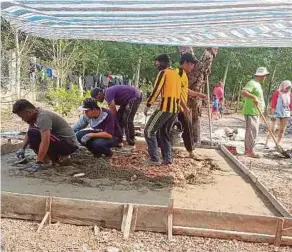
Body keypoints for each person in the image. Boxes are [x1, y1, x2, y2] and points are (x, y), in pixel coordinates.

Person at [12, 99, 79, 172]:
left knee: (35, 134)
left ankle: (50, 159)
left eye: (22, 117)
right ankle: (54, 159)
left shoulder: (43, 117)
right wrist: (22, 148)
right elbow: (29, 133)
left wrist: (38, 162)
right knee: (33, 133)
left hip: (69, 144)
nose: (22, 119)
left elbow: (45, 140)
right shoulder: (34, 115)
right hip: (61, 141)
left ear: (29, 112)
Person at [143, 54, 182, 165]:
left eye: (158, 63)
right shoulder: (176, 74)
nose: (157, 65)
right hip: (174, 109)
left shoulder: (163, 73)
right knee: (164, 132)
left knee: (149, 131)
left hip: (165, 108)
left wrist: (148, 105)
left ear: (163, 63)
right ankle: (167, 158)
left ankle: (154, 158)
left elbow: (156, 90)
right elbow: (180, 93)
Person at [174, 53, 206, 157]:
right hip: (175, 107)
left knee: (188, 128)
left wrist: (197, 94)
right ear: (185, 63)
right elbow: (176, 92)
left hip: (180, 107)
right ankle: (160, 149)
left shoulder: (184, 75)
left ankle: (190, 151)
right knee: (184, 127)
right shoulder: (178, 73)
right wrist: (184, 106)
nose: (193, 67)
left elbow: (184, 90)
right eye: (191, 64)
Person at [242, 67, 269, 158]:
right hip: (251, 111)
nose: (265, 77)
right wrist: (254, 97)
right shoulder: (252, 83)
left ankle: (249, 150)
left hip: (255, 111)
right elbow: (244, 92)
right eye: (265, 75)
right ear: (261, 75)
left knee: (253, 131)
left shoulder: (258, 84)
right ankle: (250, 151)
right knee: (252, 131)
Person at [265, 80, 292, 147]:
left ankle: (278, 143)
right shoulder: (277, 93)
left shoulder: (290, 94)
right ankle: (267, 143)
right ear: (283, 86)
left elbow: (290, 105)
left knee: (282, 129)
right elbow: (273, 103)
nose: (287, 89)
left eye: (289, 88)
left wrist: (290, 113)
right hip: (276, 113)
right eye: (287, 87)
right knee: (272, 128)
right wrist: (273, 113)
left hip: (286, 113)